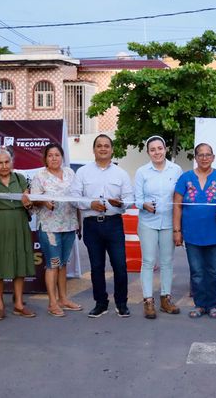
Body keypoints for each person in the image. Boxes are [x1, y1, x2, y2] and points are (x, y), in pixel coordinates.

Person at [70, 134, 134, 318]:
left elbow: (129, 198)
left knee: (120, 266)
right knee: (97, 267)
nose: (103, 148)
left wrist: (121, 204)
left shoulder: (120, 173)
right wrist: (90, 204)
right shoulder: (82, 172)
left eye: (107, 146)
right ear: (94, 149)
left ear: (112, 150)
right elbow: (74, 197)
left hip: (114, 224)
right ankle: (100, 303)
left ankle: (121, 303)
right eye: (99, 146)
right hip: (92, 224)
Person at [173, 143, 216, 319]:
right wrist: (177, 231)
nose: (204, 158)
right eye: (200, 155)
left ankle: (212, 305)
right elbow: (177, 206)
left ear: (213, 157)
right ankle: (199, 305)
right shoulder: (185, 178)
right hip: (192, 234)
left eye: (208, 155)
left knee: (214, 271)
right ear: (195, 158)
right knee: (197, 272)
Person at [0, 148, 36, 321]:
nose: (4, 166)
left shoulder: (21, 180)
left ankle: (19, 304)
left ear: (12, 162)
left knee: (19, 264)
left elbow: (31, 208)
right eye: (0, 163)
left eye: (6, 162)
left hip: (18, 224)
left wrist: (27, 203)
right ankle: (0, 305)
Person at [30, 143, 83, 317]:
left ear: (62, 157)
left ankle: (63, 299)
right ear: (45, 158)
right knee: (52, 264)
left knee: (63, 264)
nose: (54, 158)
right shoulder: (40, 176)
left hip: (69, 224)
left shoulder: (70, 173)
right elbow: (33, 200)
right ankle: (52, 303)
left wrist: (79, 223)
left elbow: (76, 198)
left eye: (57, 155)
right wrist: (44, 201)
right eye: (50, 155)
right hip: (49, 227)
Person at [134, 135, 182, 319]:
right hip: (148, 222)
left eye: (159, 148)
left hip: (169, 222)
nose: (157, 152)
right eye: (152, 149)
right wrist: (143, 204)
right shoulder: (142, 172)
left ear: (165, 149)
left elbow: (179, 197)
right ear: (148, 152)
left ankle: (165, 299)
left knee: (167, 262)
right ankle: (148, 300)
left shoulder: (176, 170)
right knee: (148, 261)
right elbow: (136, 198)